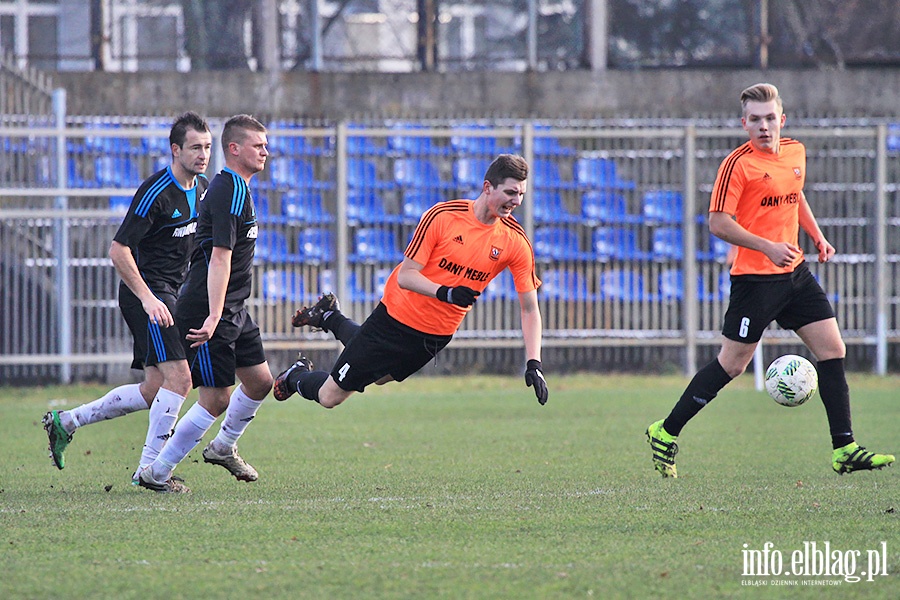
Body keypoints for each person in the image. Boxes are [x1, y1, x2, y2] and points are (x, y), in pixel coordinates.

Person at [646, 83, 895, 478]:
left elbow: (795, 194)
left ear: (782, 119)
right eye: (755, 120)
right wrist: (766, 247)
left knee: (832, 349)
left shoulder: (796, 151)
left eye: (769, 118)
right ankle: (665, 431)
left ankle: (844, 447)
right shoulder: (737, 165)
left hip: (794, 274)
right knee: (731, 365)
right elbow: (717, 223)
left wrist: (816, 234)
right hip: (754, 281)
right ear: (744, 123)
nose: (764, 126)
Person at [272, 153, 549, 411]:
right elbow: (406, 276)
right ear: (488, 186)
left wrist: (533, 362)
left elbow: (529, 308)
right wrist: (447, 294)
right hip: (395, 318)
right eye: (511, 192)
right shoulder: (443, 217)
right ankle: (296, 375)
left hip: (434, 337)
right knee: (330, 397)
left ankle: (329, 316)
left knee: (378, 377)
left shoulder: (515, 241)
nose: (516, 201)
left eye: (521, 194)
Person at [42, 112, 212, 479]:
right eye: (196, 147)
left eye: (208, 147)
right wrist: (150, 299)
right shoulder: (156, 192)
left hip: (171, 295)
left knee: (155, 389)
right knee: (180, 380)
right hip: (147, 296)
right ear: (175, 149)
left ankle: (67, 421)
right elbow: (119, 250)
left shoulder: (201, 189)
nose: (203, 154)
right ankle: (149, 470)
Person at [137, 114, 274, 493]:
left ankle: (223, 446)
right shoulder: (228, 189)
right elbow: (219, 257)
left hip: (233, 307)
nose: (265, 151)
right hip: (210, 308)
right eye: (257, 145)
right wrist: (214, 315)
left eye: (265, 145)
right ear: (235, 149)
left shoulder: (238, 188)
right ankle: (157, 472)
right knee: (215, 398)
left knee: (260, 382)